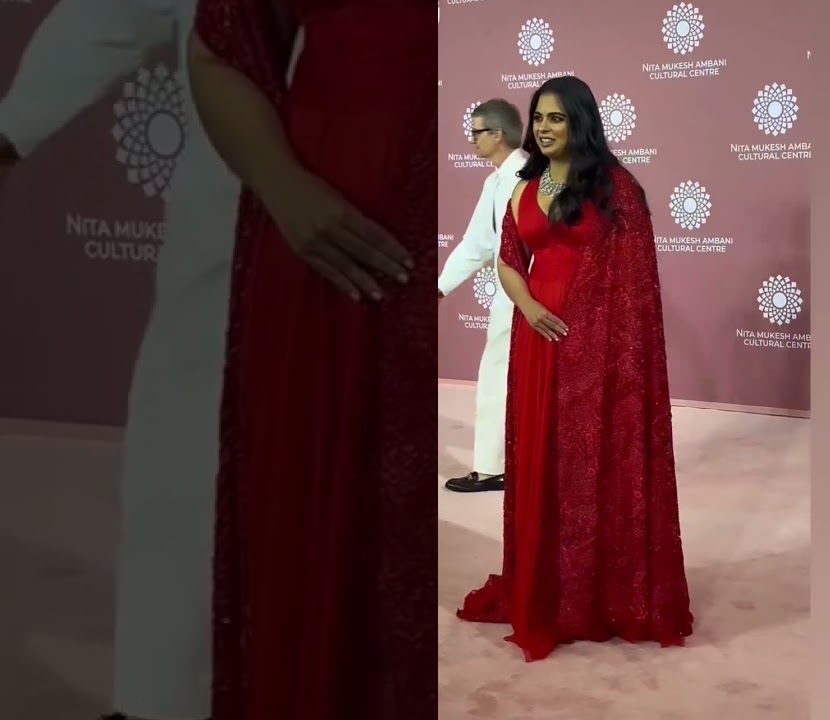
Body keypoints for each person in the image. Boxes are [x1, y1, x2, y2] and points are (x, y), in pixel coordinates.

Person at [0, 2, 248, 718]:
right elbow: (113, 12)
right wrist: (12, 129)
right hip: (225, 215)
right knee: (178, 469)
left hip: (367, 192)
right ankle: (161, 699)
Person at [187, 1, 434, 718]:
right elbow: (217, 53)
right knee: (324, 538)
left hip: (490, 203)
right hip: (333, 233)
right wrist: (282, 187)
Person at [456, 75, 694, 662]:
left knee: (595, 462)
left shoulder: (618, 187)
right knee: (542, 460)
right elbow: (510, 259)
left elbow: (634, 283)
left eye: (557, 118)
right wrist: (532, 309)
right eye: (538, 117)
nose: (543, 127)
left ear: (580, 121)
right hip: (539, 341)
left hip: (601, 346)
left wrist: (593, 332)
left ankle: (600, 592)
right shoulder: (524, 183)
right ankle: (547, 588)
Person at [439, 98, 526, 494]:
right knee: (499, 377)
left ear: (499, 134)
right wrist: (440, 287)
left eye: (477, 132)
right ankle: (495, 466)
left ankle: (497, 468)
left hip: (529, 295)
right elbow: (476, 244)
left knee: (503, 377)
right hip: (515, 296)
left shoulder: (527, 176)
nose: (471, 140)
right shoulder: (494, 182)